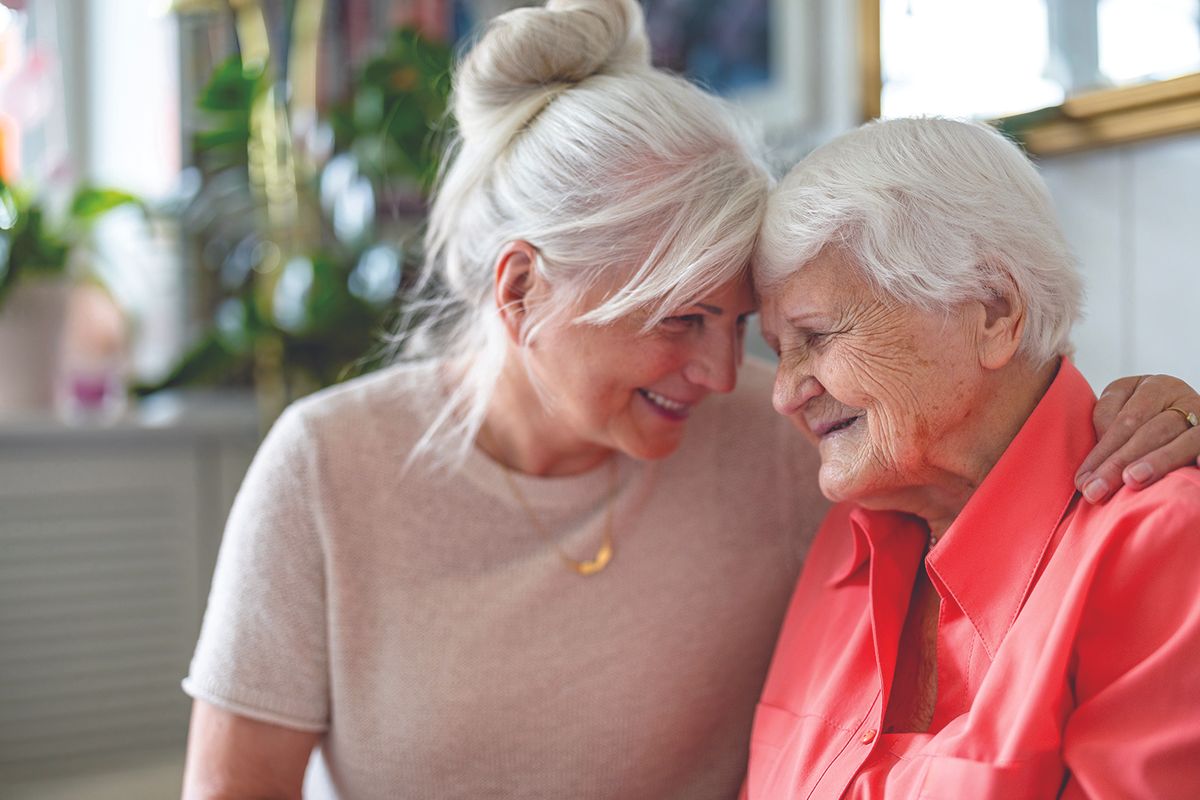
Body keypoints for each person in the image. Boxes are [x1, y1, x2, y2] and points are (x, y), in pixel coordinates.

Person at [181, 3, 1200, 798]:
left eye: (741, 325)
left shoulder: (801, 455)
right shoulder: (324, 464)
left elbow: (1007, 433)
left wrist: (1162, 410)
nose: (730, 380)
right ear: (522, 287)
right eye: (677, 319)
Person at [746, 117, 1200, 799]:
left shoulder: (1160, 541)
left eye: (815, 336)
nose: (783, 392)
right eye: (778, 348)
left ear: (993, 311)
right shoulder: (844, 540)